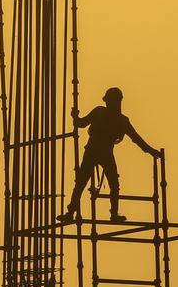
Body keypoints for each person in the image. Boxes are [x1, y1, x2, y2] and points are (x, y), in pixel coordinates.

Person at [57, 87, 161, 223]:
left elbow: (137, 139)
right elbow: (81, 123)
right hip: (93, 151)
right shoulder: (101, 112)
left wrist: (151, 151)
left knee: (110, 183)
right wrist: (75, 116)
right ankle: (71, 212)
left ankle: (111, 214)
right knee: (82, 183)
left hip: (102, 152)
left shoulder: (121, 120)